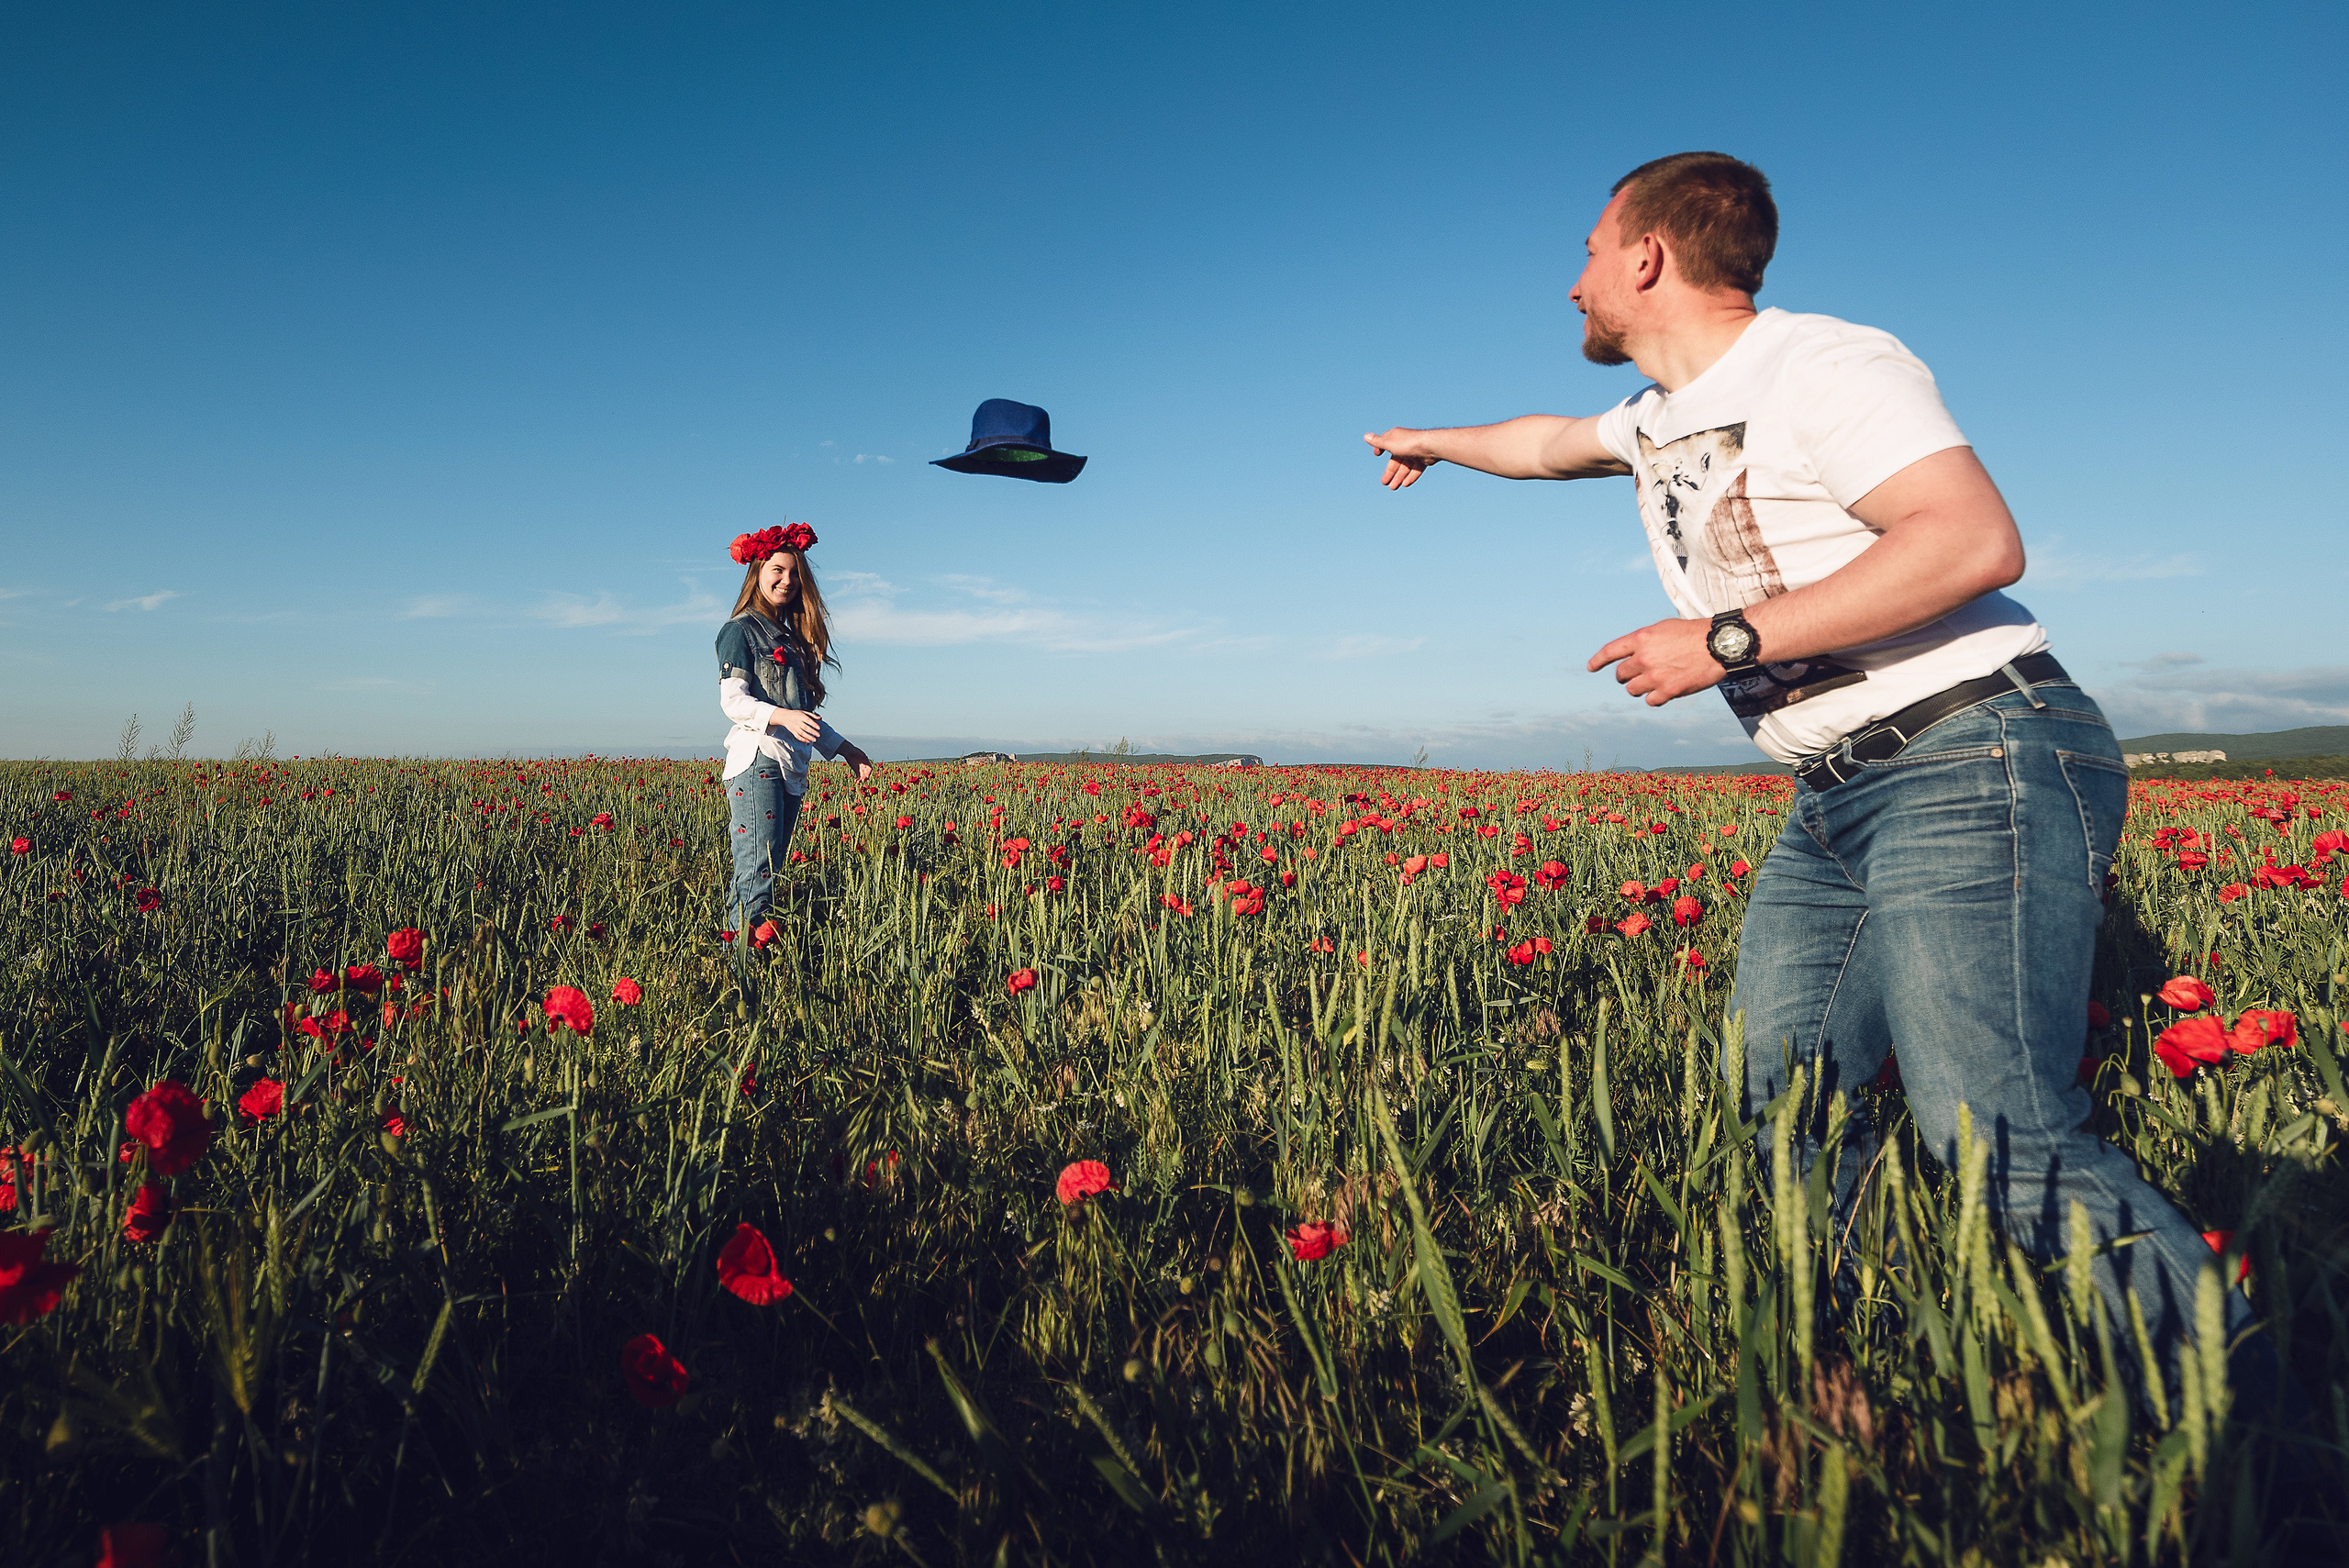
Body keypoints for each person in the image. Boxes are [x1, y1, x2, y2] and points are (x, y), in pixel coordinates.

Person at [1363, 153, 2284, 1410]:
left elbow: (1969, 539)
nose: (1569, 280)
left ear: (1646, 257)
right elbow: (1541, 444)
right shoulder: (1654, 419)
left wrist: (1726, 638)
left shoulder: (1826, 365)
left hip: (1972, 752)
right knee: (1780, 1103)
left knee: (1995, 1131)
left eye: (1586, 249)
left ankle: (2253, 1437)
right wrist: (1431, 441)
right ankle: (1837, 1394)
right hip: (1838, 796)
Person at [717, 522, 874, 935]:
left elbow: (802, 715)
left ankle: (747, 967)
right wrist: (782, 716)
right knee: (757, 875)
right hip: (757, 762)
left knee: (767, 874)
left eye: (793, 574)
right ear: (758, 574)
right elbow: (733, 701)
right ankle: (740, 974)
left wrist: (846, 749)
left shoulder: (792, 637)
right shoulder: (740, 631)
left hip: (789, 767)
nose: (787, 581)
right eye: (777, 571)